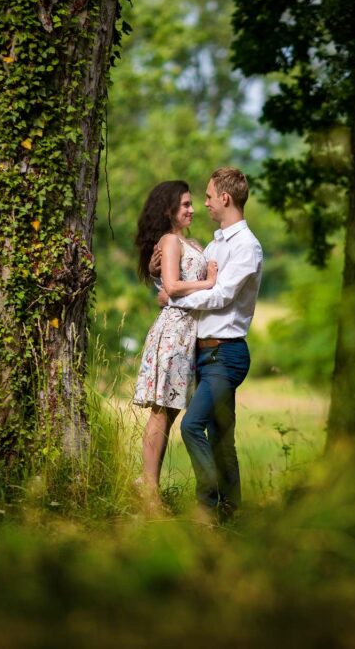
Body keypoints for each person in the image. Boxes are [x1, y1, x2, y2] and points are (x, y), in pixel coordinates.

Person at [152, 166, 262, 520]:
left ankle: (207, 508)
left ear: (225, 198)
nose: (205, 203)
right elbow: (187, 284)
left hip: (226, 354)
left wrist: (175, 299)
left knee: (191, 426)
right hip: (203, 353)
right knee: (220, 435)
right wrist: (163, 282)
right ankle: (232, 511)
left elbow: (221, 296)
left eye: (209, 196)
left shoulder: (247, 247)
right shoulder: (215, 243)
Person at [132, 180, 218, 510]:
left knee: (168, 411)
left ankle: (149, 486)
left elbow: (171, 288)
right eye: (185, 204)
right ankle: (149, 491)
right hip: (174, 333)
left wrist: (183, 290)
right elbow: (170, 284)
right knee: (160, 412)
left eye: (192, 203)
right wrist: (207, 283)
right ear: (169, 210)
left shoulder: (191, 241)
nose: (192, 209)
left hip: (187, 333)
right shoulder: (169, 240)